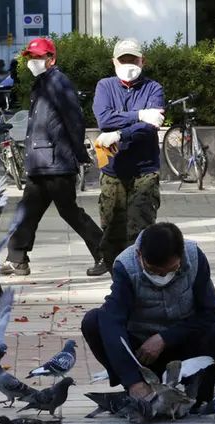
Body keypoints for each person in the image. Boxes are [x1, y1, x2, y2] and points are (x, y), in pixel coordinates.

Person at [81, 222, 215, 406]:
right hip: (143, 356)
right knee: (94, 321)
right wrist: (132, 379)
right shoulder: (125, 265)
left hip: (185, 347)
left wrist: (165, 337)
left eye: (171, 270)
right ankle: (139, 390)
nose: (163, 277)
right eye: (154, 271)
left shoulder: (195, 257)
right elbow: (113, 320)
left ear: (181, 256)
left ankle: (198, 391)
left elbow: (211, 313)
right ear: (139, 255)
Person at [0, 38, 103, 276]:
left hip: (56, 163)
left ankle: (105, 254)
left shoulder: (58, 82)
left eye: (38, 57)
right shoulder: (42, 82)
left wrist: (79, 155)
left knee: (69, 212)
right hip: (40, 162)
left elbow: (74, 120)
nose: (33, 62)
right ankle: (17, 259)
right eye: (31, 58)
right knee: (27, 211)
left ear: (51, 59)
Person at [88, 38, 165, 277]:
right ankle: (115, 275)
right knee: (111, 228)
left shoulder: (154, 88)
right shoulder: (105, 86)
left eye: (133, 60)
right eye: (124, 60)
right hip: (113, 170)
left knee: (141, 228)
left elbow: (150, 128)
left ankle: (139, 278)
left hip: (144, 170)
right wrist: (141, 114)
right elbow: (104, 119)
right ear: (114, 62)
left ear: (143, 61)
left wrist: (120, 132)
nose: (129, 64)